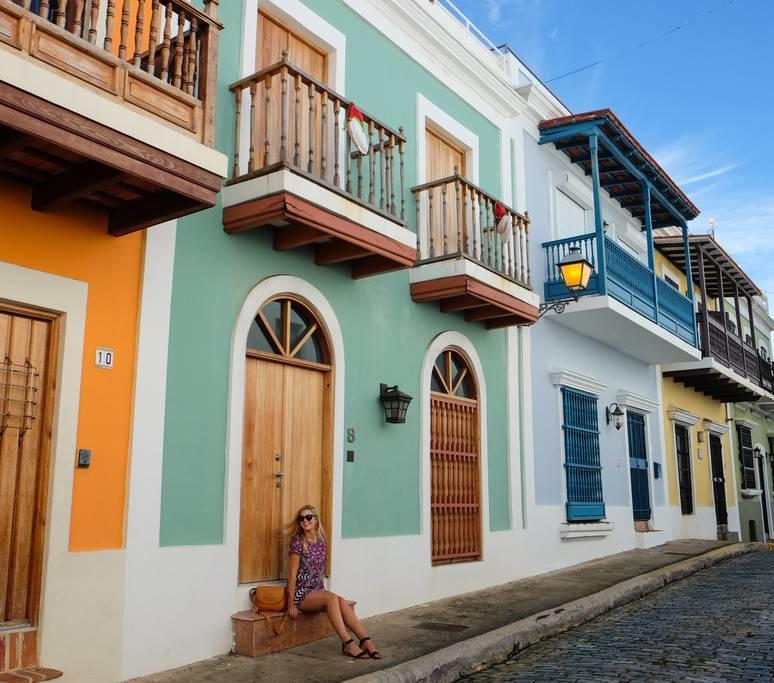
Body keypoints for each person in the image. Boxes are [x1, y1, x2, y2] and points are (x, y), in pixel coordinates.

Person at [285, 504, 382, 659]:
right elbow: (292, 574)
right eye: (301, 518)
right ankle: (347, 643)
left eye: (308, 517)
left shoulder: (321, 542)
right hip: (301, 593)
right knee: (331, 598)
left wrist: (322, 591)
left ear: (316, 520)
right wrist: (291, 603)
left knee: (340, 600)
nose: (305, 521)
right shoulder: (298, 542)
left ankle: (365, 640)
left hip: (317, 590)